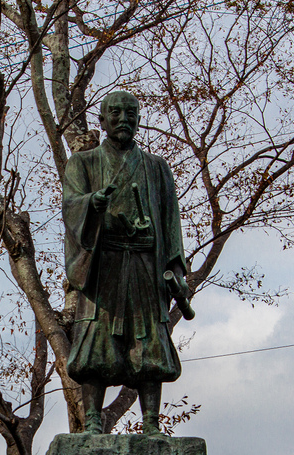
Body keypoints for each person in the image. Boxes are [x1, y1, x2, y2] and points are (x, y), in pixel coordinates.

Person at [63, 90, 189, 434]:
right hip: (103, 267)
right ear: (101, 121)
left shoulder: (156, 168)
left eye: (130, 113)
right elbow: (71, 205)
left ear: (138, 119)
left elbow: (170, 223)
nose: (123, 120)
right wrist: (92, 203)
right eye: (115, 113)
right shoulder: (84, 163)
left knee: (149, 342)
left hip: (147, 265)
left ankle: (151, 424)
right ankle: (91, 423)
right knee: (96, 342)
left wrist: (177, 270)